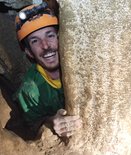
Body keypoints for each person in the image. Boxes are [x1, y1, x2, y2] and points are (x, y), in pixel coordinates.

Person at [15, 3, 82, 138]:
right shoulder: (29, 90)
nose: (45, 45)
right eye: (35, 41)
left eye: (50, 35)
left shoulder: (83, 67)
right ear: (29, 52)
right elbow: (31, 126)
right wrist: (50, 122)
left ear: (61, 38)